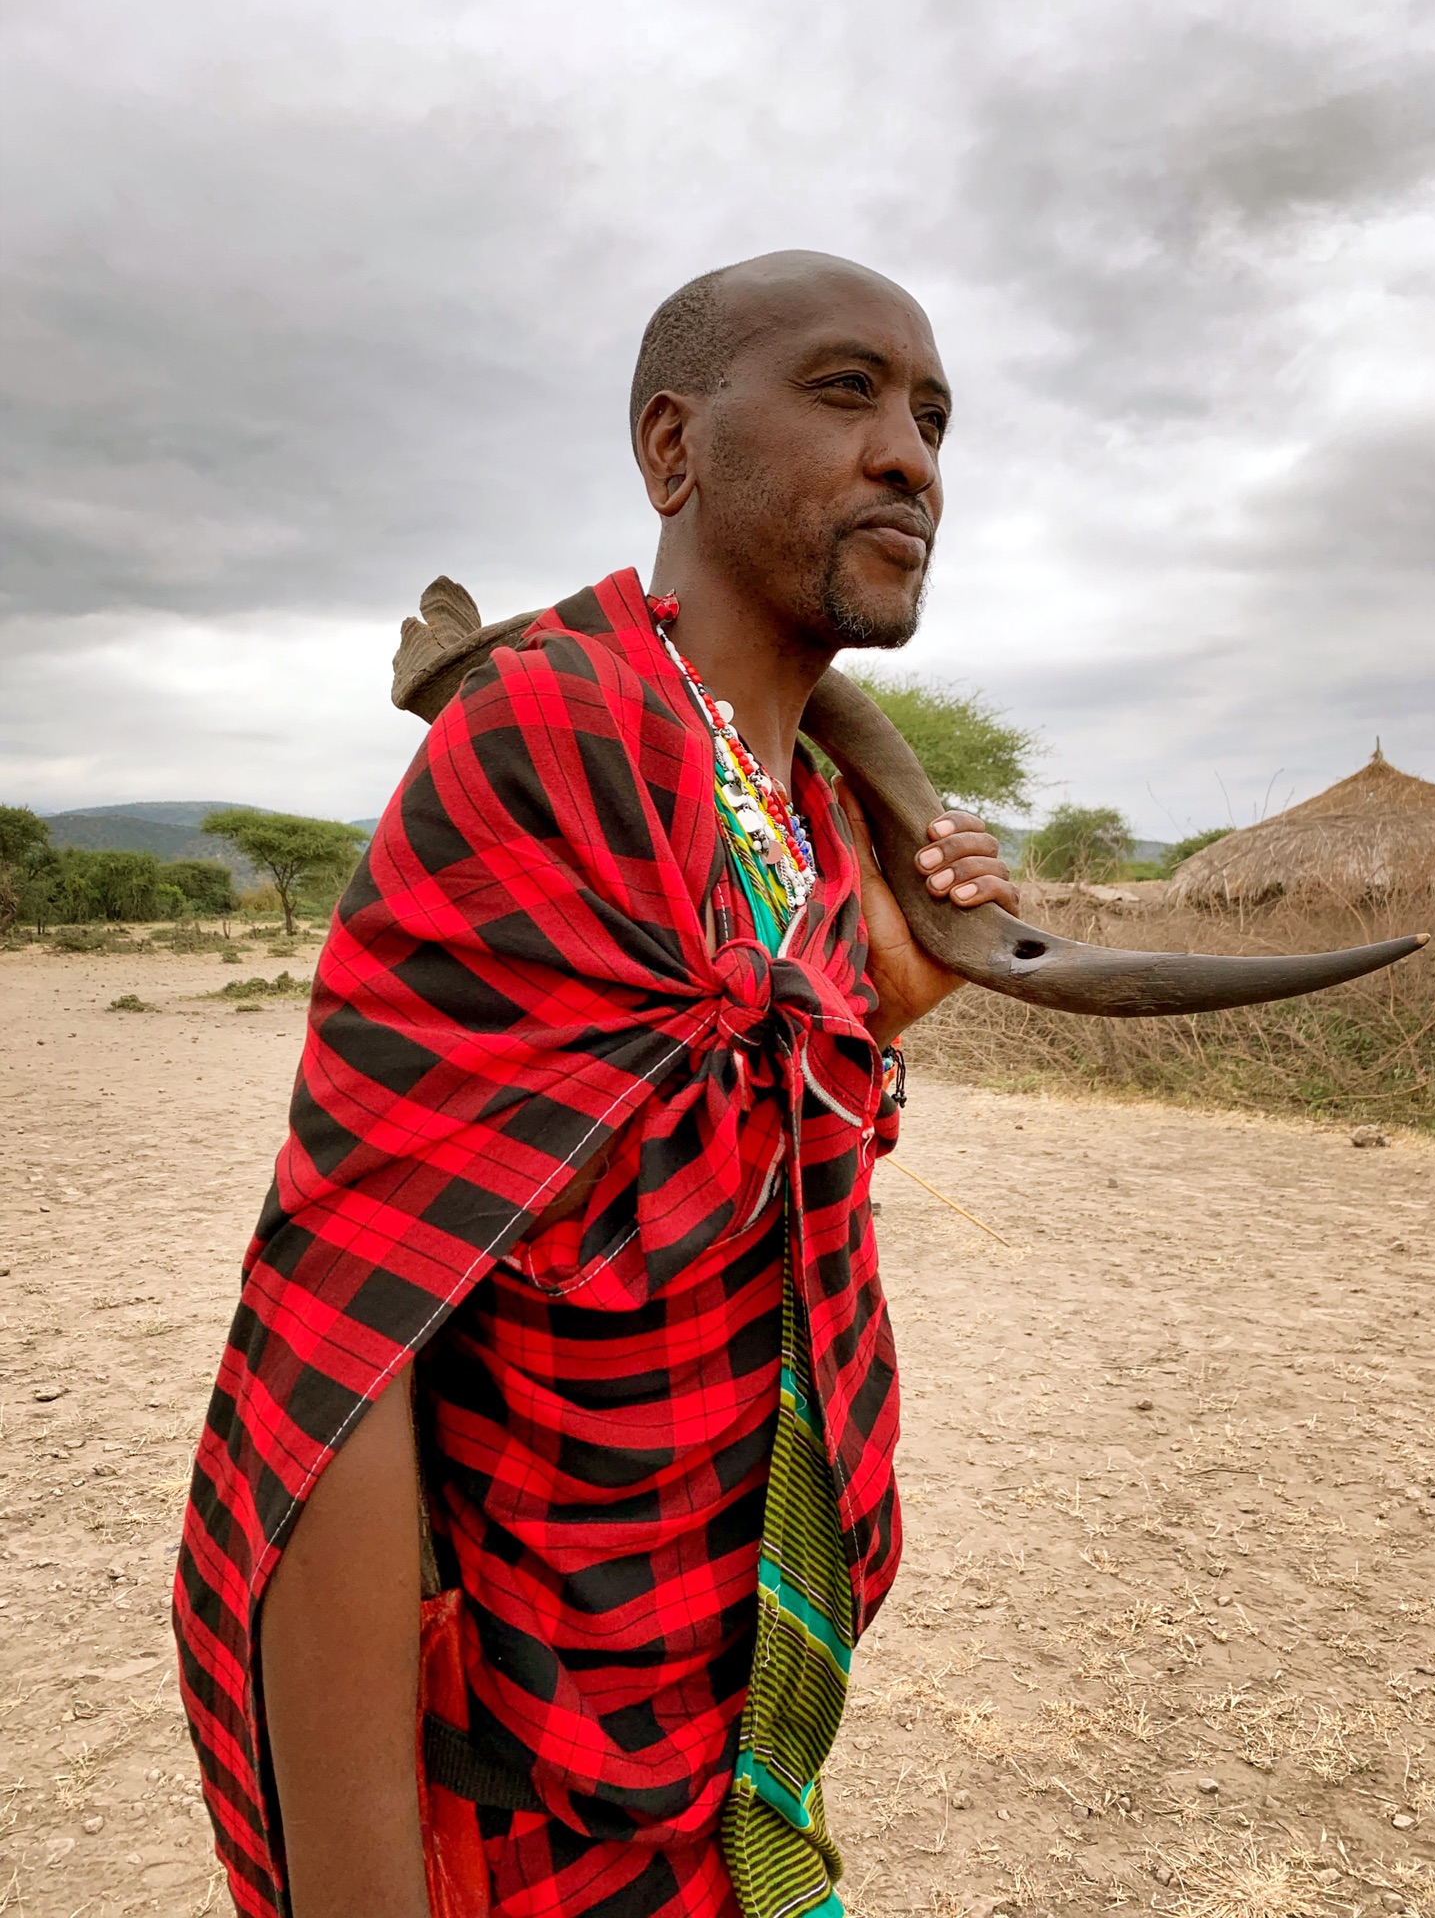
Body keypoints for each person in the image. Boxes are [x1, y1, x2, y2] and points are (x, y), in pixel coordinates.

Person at [174, 249, 1019, 1918]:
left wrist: (882, 1002)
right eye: (849, 392)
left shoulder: (809, 820)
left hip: (725, 1748)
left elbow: (692, 1140)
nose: (914, 453)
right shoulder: (554, 740)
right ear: (671, 449)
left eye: (933, 416)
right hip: (524, 1794)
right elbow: (348, 1352)